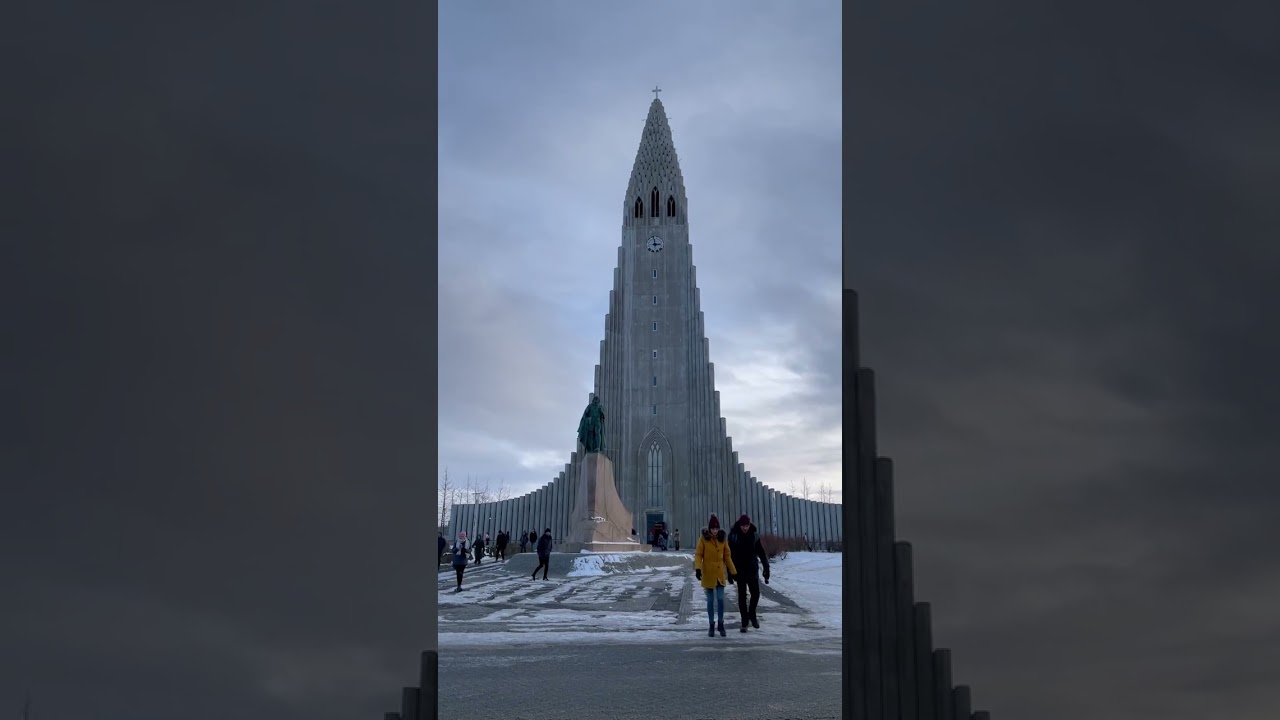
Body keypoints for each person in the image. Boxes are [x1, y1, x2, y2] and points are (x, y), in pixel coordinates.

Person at [694, 514, 737, 638]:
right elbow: (698, 554)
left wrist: (733, 572)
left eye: (716, 529)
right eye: (713, 529)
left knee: (720, 599)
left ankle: (721, 623)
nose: (714, 531)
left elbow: (727, 556)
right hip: (708, 573)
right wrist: (698, 568)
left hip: (719, 574)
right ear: (709, 528)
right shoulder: (703, 539)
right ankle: (711, 625)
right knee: (710, 600)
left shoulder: (723, 539)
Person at [727, 514, 770, 632]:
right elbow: (728, 555)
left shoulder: (754, 535)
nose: (745, 528)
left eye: (747, 525)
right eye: (743, 526)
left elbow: (761, 552)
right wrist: (729, 572)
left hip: (752, 569)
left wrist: (766, 566)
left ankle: (752, 614)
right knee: (742, 596)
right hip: (739, 570)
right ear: (740, 525)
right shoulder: (733, 536)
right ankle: (744, 620)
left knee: (755, 594)